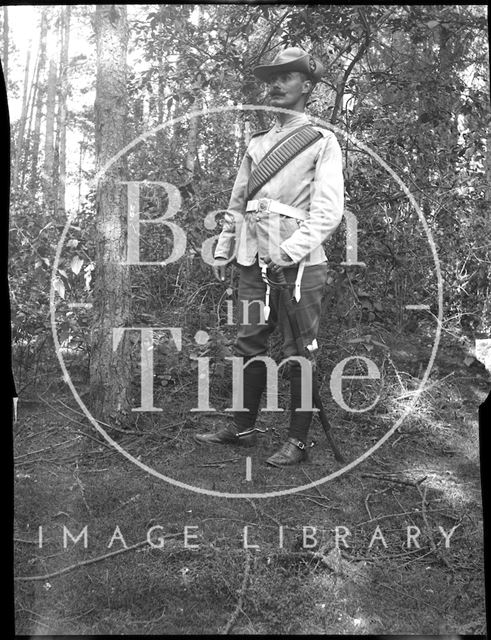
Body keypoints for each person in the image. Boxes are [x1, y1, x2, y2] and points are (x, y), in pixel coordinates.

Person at [194, 47, 344, 466]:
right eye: (272, 78)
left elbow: (329, 211)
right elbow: (238, 201)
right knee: (248, 343)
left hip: (300, 261)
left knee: (299, 348)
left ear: (307, 86)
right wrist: (226, 246)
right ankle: (241, 426)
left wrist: (289, 252)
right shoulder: (257, 143)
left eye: (287, 77)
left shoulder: (321, 140)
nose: (276, 85)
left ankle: (297, 441)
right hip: (251, 257)